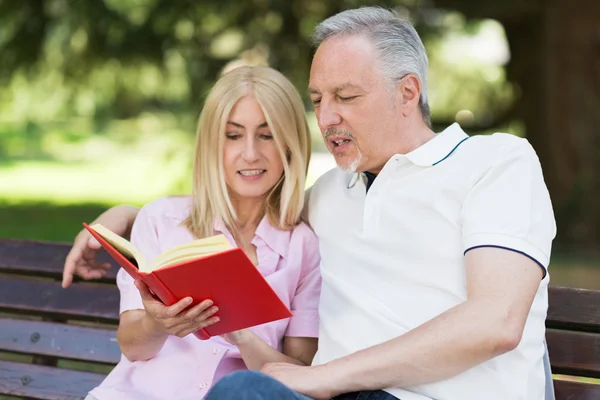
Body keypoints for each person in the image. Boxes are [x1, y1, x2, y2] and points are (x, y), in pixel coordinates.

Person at [64, 7, 557, 400]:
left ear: (408, 92)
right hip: (332, 396)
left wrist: (327, 378)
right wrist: (124, 217)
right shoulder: (328, 195)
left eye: (346, 96)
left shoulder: (496, 163)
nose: (327, 117)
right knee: (243, 394)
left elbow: (495, 323)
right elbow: (247, 197)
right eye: (318, 99)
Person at [80, 66, 322, 400]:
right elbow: (133, 348)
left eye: (267, 135)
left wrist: (242, 337)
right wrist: (159, 323)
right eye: (233, 135)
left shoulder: (303, 247)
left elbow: (301, 374)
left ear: (290, 144)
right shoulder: (161, 220)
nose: (250, 153)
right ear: (212, 143)